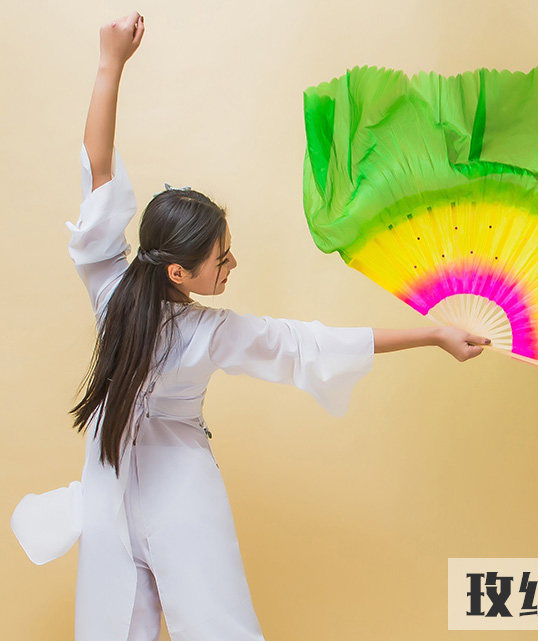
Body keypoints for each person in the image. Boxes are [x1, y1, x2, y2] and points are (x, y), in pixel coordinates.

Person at [12, 11, 491, 641]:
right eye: (222, 259)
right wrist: (432, 333)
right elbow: (308, 343)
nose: (232, 265)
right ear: (180, 272)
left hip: (139, 493)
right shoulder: (203, 330)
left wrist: (109, 64)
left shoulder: (112, 291)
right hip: (149, 494)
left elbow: (98, 175)